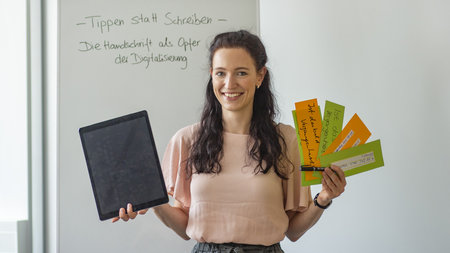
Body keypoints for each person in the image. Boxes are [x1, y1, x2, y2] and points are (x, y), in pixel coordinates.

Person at [112, 30, 347, 252]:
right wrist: (153, 200)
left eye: (241, 72)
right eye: (221, 73)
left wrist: (324, 198)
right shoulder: (185, 140)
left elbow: (293, 230)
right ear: (211, 75)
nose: (229, 84)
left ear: (260, 76)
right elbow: (185, 229)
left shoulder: (286, 140)